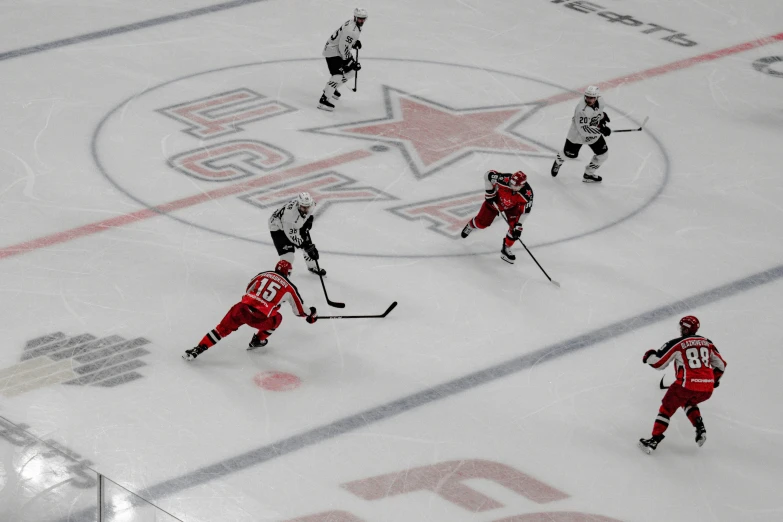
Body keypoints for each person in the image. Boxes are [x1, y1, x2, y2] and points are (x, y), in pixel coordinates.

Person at [183, 260, 317, 360]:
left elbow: (249, 288)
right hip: (260, 317)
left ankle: (197, 349)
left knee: (221, 329)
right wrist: (311, 314)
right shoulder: (289, 287)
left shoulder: (263, 274)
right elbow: (299, 311)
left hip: (242, 308)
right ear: (289, 273)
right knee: (277, 318)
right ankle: (258, 340)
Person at [638, 316, 727, 454]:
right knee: (687, 401)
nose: (680, 330)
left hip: (686, 384)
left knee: (666, 409)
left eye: (682, 327)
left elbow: (658, 363)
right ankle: (700, 427)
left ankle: (654, 441)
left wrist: (648, 356)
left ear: (685, 329)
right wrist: (713, 380)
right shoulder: (707, 342)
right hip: (707, 389)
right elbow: (721, 365)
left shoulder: (678, 343)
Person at [460, 170, 534, 264]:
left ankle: (506, 248)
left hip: (512, 207)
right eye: (511, 183)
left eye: (515, 185)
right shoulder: (504, 179)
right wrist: (490, 193)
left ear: (522, 186)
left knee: (515, 229)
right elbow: (487, 175)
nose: (511, 185)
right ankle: (471, 225)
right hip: (495, 202)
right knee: (481, 224)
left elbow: (525, 211)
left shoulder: (527, 194)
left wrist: (519, 224)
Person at [550, 85, 611, 183]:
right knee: (570, 155)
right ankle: (559, 160)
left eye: (591, 97)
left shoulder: (600, 101)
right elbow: (584, 130)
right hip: (577, 135)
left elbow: (597, 112)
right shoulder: (581, 110)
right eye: (587, 96)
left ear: (596, 97)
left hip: (593, 134)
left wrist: (602, 116)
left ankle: (588, 174)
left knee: (603, 155)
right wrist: (601, 130)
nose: (588, 99)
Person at [319, 8, 367, 112]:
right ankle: (324, 99)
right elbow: (342, 47)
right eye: (360, 19)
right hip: (332, 51)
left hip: (338, 50)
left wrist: (353, 43)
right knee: (337, 75)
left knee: (352, 71)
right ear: (355, 17)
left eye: (363, 19)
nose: (362, 21)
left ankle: (332, 88)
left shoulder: (353, 24)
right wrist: (348, 61)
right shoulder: (352, 30)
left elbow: (344, 40)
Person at [268, 192, 325, 276]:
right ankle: (281, 275)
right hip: (278, 227)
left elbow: (306, 213)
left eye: (307, 207)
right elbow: (292, 236)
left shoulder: (310, 204)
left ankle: (312, 266)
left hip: (293, 223)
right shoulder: (290, 215)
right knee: (289, 256)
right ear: (298, 205)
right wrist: (305, 246)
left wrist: (307, 220)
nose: (306, 210)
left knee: (308, 245)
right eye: (303, 208)